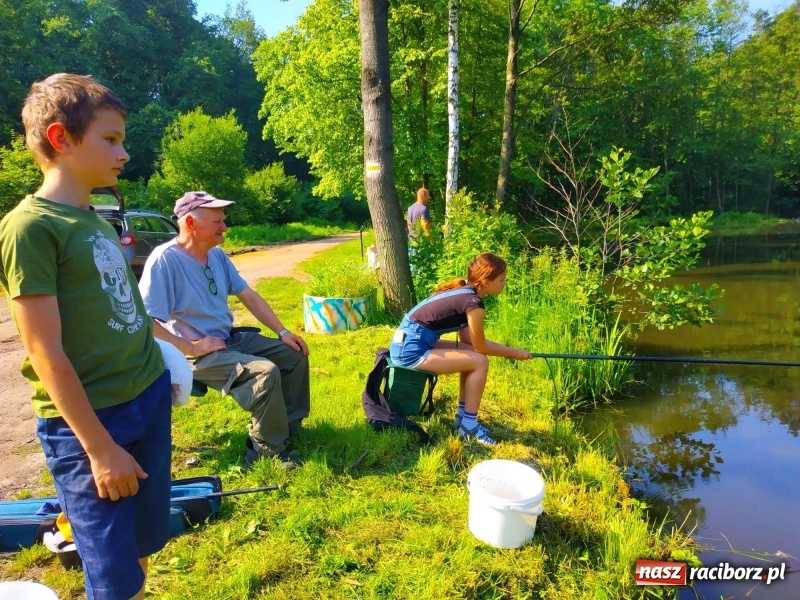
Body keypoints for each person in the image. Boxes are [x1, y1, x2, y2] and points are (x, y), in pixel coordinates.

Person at [0, 73, 172, 600]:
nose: (124, 152)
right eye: (111, 139)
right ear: (60, 139)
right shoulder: (29, 228)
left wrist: (175, 359)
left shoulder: (95, 220)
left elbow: (125, 308)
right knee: (111, 572)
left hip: (146, 396)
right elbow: (44, 351)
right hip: (91, 423)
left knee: (142, 543)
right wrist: (99, 448)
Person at [139, 191, 311, 470]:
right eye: (217, 221)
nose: (225, 227)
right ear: (191, 224)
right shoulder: (165, 260)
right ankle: (265, 452)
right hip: (192, 354)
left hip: (226, 340)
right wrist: (192, 348)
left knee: (293, 354)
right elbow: (148, 322)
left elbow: (249, 296)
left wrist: (283, 332)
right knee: (263, 372)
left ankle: (288, 428)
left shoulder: (216, 255)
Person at [388, 253, 532, 445]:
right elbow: (480, 346)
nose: (504, 283)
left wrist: (504, 349)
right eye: (502, 279)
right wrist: (513, 352)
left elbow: (468, 341)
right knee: (480, 361)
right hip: (410, 350)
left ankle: (463, 417)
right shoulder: (474, 303)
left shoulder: (466, 292)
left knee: (473, 356)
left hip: (407, 342)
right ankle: (469, 427)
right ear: (487, 281)